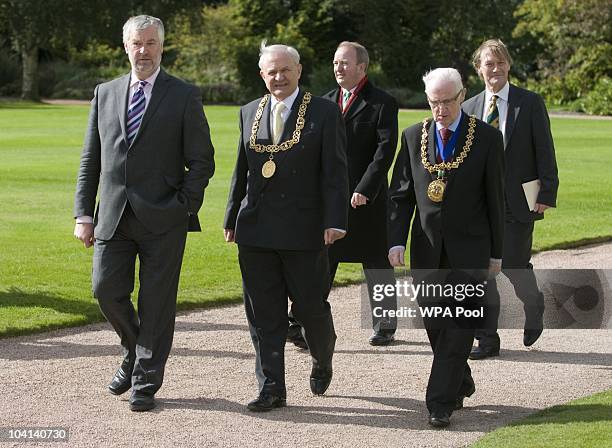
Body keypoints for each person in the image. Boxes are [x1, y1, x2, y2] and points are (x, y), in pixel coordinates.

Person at [73, 15, 215, 412]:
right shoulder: (105, 92)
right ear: (126, 47)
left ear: (162, 47)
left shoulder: (183, 95)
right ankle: (134, 351)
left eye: (151, 43)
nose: (144, 51)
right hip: (112, 217)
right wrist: (83, 214)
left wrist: (183, 206)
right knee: (105, 289)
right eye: (137, 43)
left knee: (156, 303)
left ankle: (145, 381)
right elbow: (91, 159)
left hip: (164, 219)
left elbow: (202, 160)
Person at [223, 42, 349, 412]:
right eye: (271, 72)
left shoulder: (324, 112)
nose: (278, 77)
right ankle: (271, 387)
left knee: (311, 309)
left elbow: (336, 172)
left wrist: (336, 221)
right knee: (263, 311)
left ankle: (323, 355)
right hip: (256, 228)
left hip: (305, 229)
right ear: (262, 75)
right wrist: (231, 217)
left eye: (284, 70)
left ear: (299, 71)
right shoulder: (249, 111)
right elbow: (241, 169)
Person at [388, 68, 504, 428]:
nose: (440, 110)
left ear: (462, 96)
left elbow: (496, 200)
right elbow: (400, 196)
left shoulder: (485, 138)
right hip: (426, 249)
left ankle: (440, 402)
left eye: (447, 102)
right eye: (434, 102)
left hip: (471, 249)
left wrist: (497, 253)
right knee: (436, 322)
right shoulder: (412, 136)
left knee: (458, 324)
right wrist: (395, 240)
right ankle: (461, 379)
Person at [287, 41, 399, 348]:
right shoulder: (323, 103)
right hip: (331, 199)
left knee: (377, 262)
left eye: (345, 63)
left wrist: (365, 188)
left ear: (362, 67)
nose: (338, 68)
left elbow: (384, 151)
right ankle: (301, 320)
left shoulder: (382, 103)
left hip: (368, 199)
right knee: (322, 261)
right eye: (336, 63)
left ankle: (386, 324)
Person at [462, 39, 559, 359]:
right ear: (479, 69)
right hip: (478, 204)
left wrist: (546, 192)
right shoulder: (469, 107)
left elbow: (544, 148)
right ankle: (487, 339)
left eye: (501, 62)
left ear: (509, 66)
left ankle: (534, 303)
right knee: (481, 269)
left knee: (514, 265)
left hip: (519, 200)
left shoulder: (529, 103)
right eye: (489, 64)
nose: (496, 68)